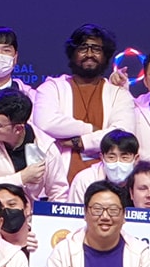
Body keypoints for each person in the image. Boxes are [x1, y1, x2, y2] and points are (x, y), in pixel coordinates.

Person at [32, 26, 137, 183]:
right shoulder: (52, 88)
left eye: (96, 49)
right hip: (57, 184)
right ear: (72, 53)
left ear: (106, 55)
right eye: (83, 48)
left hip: (107, 185)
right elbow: (45, 123)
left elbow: (122, 134)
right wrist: (92, 129)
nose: (89, 54)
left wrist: (80, 142)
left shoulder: (118, 94)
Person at [0, 89, 66, 202]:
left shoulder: (45, 147)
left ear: (18, 128)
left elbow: (59, 194)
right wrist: (22, 178)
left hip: (25, 212)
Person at [66, 129, 141, 199]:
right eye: (111, 157)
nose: (118, 163)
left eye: (124, 157)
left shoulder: (144, 181)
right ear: (102, 157)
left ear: (136, 158)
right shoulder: (84, 180)